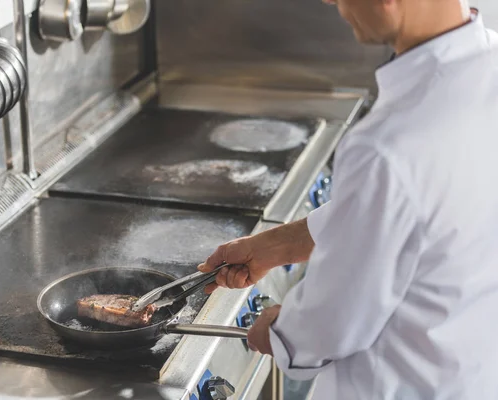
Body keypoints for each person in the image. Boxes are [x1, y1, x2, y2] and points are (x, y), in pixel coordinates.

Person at [198, 0, 498, 399]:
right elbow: (419, 216)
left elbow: (330, 327)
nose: (333, 4)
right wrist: (274, 245)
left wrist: (278, 330)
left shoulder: (387, 144)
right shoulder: (487, 64)